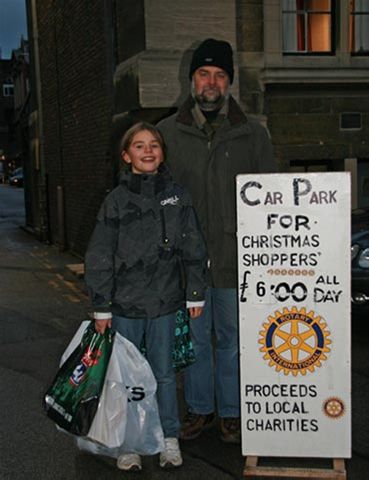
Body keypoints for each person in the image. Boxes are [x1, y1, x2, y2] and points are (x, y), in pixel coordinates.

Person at [157, 38, 277, 444]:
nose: (211, 82)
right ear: (191, 79)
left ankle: (231, 412)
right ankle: (200, 409)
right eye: (204, 74)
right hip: (185, 263)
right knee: (193, 342)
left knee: (232, 340)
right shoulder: (166, 134)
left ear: (230, 82)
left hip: (235, 259)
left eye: (220, 75)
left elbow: (273, 199)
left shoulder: (252, 135)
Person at [84, 122, 207, 471]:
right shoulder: (115, 201)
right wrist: (101, 306)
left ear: (162, 152)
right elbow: (99, 255)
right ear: (127, 156)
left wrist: (195, 293)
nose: (148, 150)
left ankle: (169, 438)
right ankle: (129, 443)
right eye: (139, 146)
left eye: (154, 144)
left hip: (165, 303)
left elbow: (193, 245)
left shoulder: (178, 196)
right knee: (125, 377)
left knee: (165, 374)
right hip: (124, 307)